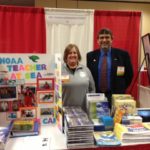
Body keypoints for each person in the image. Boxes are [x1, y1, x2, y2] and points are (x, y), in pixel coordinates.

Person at [87, 28, 133, 108]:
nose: (104, 40)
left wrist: (121, 88)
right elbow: (89, 75)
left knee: (116, 120)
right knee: (97, 119)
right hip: (96, 96)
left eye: (107, 37)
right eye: (101, 37)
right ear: (97, 40)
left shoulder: (123, 55)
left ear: (112, 39)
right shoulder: (91, 56)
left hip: (116, 96)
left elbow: (129, 75)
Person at [62, 43, 95, 111]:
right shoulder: (59, 70)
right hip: (65, 112)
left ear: (78, 55)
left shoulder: (86, 70)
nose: (72, 55)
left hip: (83, 112)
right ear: (66, 56)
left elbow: (92, 89)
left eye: (75, 53)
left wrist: (91, 107)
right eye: (69, 53)